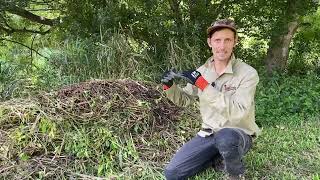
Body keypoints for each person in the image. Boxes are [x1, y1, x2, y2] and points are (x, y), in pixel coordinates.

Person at [161, 19, 261, 180]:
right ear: (209, 42)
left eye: (228, 40)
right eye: (217, 40)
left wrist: (204, 85)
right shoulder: (203, 71)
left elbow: (238, 113)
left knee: (226, 138)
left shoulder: (248, 73)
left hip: (238, 133)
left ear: (235, 42)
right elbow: (184, 99)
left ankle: (236, 174)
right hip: (208, 134)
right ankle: (216, 159)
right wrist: (169, 86)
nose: (222, 46)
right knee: (172, 173)